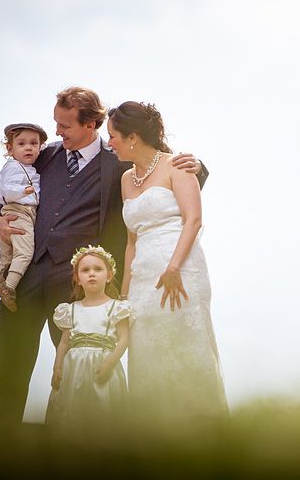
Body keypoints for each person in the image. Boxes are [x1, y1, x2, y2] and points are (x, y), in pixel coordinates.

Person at [0, 87, 207, 434]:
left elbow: (160, 164)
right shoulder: (44, 156)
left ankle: (77, 445)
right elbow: (12, 190)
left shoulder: (118, 159)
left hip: (79, 287)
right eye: (56, 123)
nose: (56, 131)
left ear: (90, 125)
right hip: (25, 278)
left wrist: (199, 167)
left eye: (65, 125)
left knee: (80, 372)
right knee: (9, 368)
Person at [107, 101, 227, 422]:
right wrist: (124, 295)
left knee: (185, 347)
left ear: (132, 137)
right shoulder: (126, 179)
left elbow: (193, 220)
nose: (110, 143)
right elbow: (131, 241)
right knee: (147, 351)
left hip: (182, 268)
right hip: (142, 277)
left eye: (113, 136)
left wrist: (173, 267)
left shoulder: (178, 165)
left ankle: (202, 426)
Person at [46, 245, 131, 437]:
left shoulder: (117, 308)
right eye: (85, 270)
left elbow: (124, 339)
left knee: (102, 414)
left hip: (103, 364)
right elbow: (64, 343)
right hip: (73, 367)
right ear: (77, 279)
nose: (91, 274)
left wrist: (110, 362)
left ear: (109, 276)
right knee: (71, 413)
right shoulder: (70, 309)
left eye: (98, 269)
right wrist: (57, 367)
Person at [0, 123, 47, 320]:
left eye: (34, 143)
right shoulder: (13, 167)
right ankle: (8, 287)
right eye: (22, 144)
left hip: (15, 212)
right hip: (20, 213)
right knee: (25, 252)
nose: (28, 148)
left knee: (6, 259)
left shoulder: (26, 167)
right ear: (10, 148)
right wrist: (24, 191)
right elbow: (7, 190)